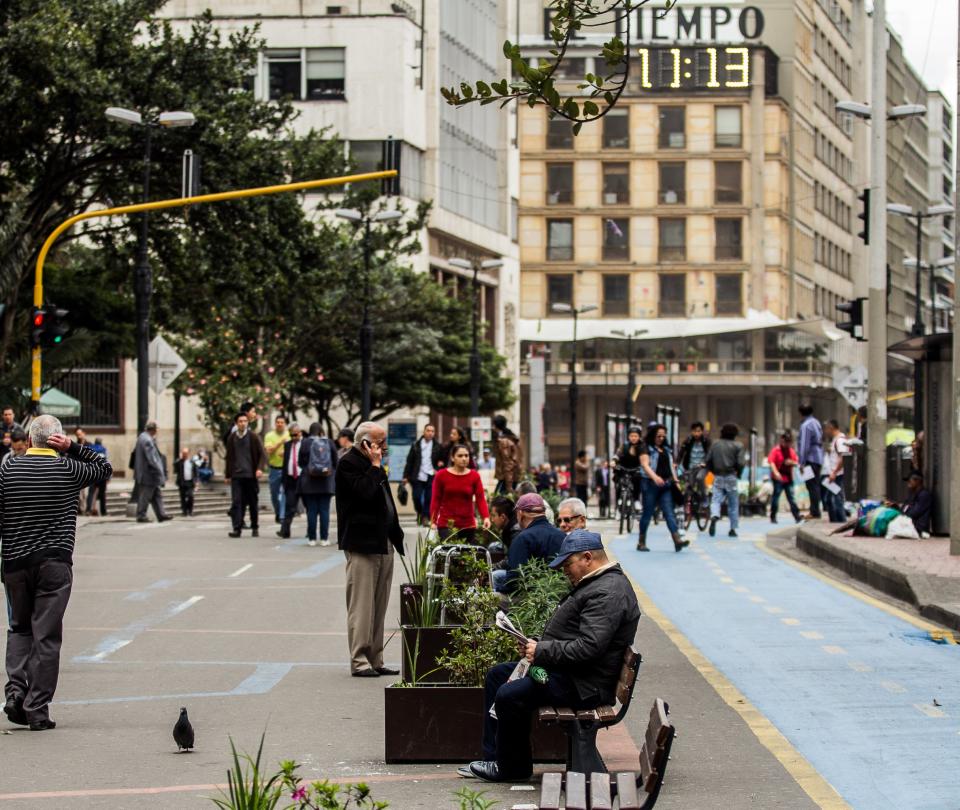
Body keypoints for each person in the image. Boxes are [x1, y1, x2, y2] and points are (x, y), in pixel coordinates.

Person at [466, 529, 641, 783]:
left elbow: (589, 647)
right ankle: (496, 758)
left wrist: (542, 650)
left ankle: (512, 768)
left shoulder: (608, 592)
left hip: (584, 686)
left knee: (509, 695)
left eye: (568, 564)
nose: (564, 571)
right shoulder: (599, 583)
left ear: (588, 557)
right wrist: (536, 644)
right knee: (498, 676)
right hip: (574, 675)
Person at [0, 414, 112, 730]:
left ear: (31, 439)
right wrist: (74, 447)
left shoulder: (9, 467)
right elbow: (104, 468)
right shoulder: (67, 468)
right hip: (54, 564)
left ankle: (15, 692)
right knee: (46, 636)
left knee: (19, 629)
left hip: (15, 563)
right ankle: (36, 709)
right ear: (56, 439)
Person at [335, 422, 404, 678]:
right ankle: (360, 659)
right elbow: (364, 493)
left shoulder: (376, 466)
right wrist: (375, 467)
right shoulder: (348, 464)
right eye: (380, 442)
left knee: (379, 604)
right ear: (365, 443)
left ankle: (376, 657)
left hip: (383, 541)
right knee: (362, 606)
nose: (384, 447)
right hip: (362, 544)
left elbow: (385, 501)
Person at [492, 493, 565, 593]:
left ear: (521, 513)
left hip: (529, 598)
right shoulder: (562, 535)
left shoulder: (522, 539)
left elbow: (514, 581)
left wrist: (497, 590)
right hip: (559, 594)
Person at [636, 423, 688, 552]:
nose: (661, 438)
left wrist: (676, 482)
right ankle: (641, 542)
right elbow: (645, 465)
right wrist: (655, 477)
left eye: (663, 436)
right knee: (647, 514)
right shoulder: (645, 447)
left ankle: (677, 540)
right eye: (658, 436)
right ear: (653, 435)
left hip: (666, 485)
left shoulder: (666, 449)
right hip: (650, 484)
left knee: (669, 512)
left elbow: (671, 467)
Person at [430, 444, 490, 540]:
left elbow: (480, 499)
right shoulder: (441, 475)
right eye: (460, 456)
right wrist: (433, 521)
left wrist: (486, 517)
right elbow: (436, 499)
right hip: (446, 525)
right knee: (449, 553)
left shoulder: (474, 476)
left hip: (468, 525)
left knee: (468, 554)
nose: (464, 458)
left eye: (466, 456)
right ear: (452, 458)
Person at [225, 412, 267, 538]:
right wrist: (227, 475)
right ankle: (237, 529)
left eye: (245, 421)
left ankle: (255, 526)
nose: (243, 423)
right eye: (240, 421)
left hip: (250, 475)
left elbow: (262, 455)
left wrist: (259, 469)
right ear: (236, 423)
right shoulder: (232, 438)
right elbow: (229, 458)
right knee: (237, 502)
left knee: (253, 502)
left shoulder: (253, 436)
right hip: (237, 476)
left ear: (248, 423)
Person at [298, 422, 338, 547]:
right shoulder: (329, 443)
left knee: (311, 511)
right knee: (324, 511)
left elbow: (300, 462)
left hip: (309, 482)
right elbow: (335, 461)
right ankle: (324, 539)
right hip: (326, 482)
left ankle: (312, 539)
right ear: (321, 431)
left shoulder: (305, 443)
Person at [705, 423, 745, 538]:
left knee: (716, 500)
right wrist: (739, 472)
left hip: (718, 476)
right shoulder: (738, 445)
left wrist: (713, 471)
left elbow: (708, 460)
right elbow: (741, 463)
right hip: (731, 476)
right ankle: (732, 529)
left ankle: (715, 516)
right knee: (733, 503)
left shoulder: (715, 444)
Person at [402, 424, 441, 526]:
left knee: (429, 497)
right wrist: (406, 476)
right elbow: (409, 461)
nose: (430, 433)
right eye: (428, 430)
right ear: (424, 432)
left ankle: (425, 517)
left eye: (432, 431)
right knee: (416, 497)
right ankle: (420, 513)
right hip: (417, 475)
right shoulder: (416, 445)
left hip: (431, 475)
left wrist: (437, 469)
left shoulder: (437, 446)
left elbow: (442, 461)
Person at [134, 420, 171, 524]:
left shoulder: (142, 437)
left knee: (157, 494)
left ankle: (161, 514)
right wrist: (161, 472)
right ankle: (141, 515)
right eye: (157, 430)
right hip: (149, 474)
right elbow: (152, 459)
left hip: (147, 473)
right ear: (154, 430)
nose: (157, 432)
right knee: (146, 495)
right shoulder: (147, 440)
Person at [276, 423, 304, 539]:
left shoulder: (306, 444)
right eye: (291, 435)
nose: (293, 437)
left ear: (300, 433)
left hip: (303, 479)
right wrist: (284, 480)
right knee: (289, 506)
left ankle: (311, 532)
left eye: (295, 435)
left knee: (309, 505)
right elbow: (285, 463)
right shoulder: (287, 445)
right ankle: (285, 531)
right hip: (290, 479)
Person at [767, 431, 801, 524]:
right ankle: (773, 516)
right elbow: (771, 462)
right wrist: (776, 473)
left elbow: (797, 462)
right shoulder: (776, 450)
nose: (787, 443)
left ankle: (797, 516)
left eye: (789, 442)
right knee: (776, 497)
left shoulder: (791, 451)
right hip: (778, 478)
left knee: (791, 498)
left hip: (788, 478)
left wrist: (791, 463)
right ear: (782, 440)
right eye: (785, 441)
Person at [797, 403, 824, 519]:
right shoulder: (816, 422)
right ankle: (815, 510)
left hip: (809, 459)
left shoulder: (806, 425)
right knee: (815, 485)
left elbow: (804, 446)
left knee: (811, 485)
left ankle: (814, 512)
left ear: (801, 413)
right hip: (818, 458)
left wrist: (801, 462)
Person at [263, 415, 291, 525]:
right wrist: (281, 443)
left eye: (282, 422)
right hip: (274, 469)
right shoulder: (269, 435)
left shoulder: (289, 435)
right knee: (274, 494)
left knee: (285, 493)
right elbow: (269, 451)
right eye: (277, 422)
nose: (279, 424)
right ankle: (278, 512)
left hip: (286, 469)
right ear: (275, 423)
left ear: (285, 424)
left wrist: (286, 452)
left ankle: (282, 516)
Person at [823, 419, 850, 523]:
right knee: (829, 499)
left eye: (826, 428)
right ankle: (835, 522)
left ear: (831, 428)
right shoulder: (835, 440)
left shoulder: (840, 440)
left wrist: (834, 472)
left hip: (837, 475)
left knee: (836, 500)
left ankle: (841, 522)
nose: (825, 431)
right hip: (834, 474)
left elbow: (843, 458)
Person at [892, 471, 933, 536]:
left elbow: (913, 513)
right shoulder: (912, 494)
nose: (908, 483)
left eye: (909, 480)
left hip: (918, 528)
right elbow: (904, 509)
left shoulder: (924, 495)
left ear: (918, 481)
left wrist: (903, 511)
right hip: (910, 524)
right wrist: (896, 506)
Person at [616, 426, 645, 512]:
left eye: (635, 436)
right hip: (624, 468)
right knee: (619, 483)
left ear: (639, 437)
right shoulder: (624, 445)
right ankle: (619, 503)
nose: (633, 438)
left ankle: (636, 500)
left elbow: (646, 457)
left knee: (637, 480)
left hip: (637, 469)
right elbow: (618, 454)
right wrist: (614, 461)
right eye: (631, 436)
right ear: (628, 436)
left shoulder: (643, 446)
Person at [493, 415, 524, 494]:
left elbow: (508, 463)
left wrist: (509, 486)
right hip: (512, 477)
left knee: (497, 501)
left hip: (506, 479)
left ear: (495, 426)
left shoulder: (504, 441)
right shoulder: (512, 438)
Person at [84, 437, 108, 516]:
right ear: (101, 442)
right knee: (102, 494)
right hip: (102, 474)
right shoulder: (104, 449)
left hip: (92, 473)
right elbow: (106, 461)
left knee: (91, 493)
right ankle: (103, 512)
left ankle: (88, 510)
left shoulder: (91, 449)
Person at [173, 447, 197, 517]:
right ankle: (184, 511)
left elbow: (195, 472)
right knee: (182, 497)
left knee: (191, 496)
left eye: (186, 453)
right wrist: (180, 458)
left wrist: (196, 481)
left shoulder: (192, 462)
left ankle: (190, 511)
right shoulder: (179, 462)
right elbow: (174, 465)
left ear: (188, 454)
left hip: (190, 482)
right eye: (183, 453)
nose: (184, 455)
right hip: (182, 482)